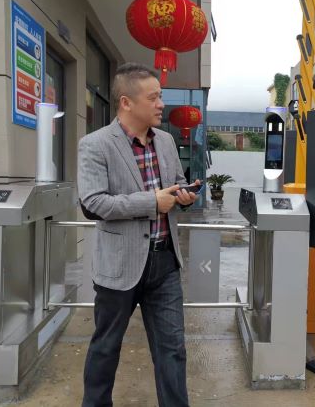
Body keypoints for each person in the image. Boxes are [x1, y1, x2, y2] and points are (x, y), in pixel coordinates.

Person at [78, 62, 199, 407]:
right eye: (154, 97)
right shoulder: (95, 144)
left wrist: (183, 196)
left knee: (173, 350)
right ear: (126, 102)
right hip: (120, 265)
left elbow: (174, 185)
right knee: (106, 348)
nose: (161, 104)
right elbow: (93, 203)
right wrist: (151, 202)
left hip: (165, 263)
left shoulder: (166, 141)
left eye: (161, 96)